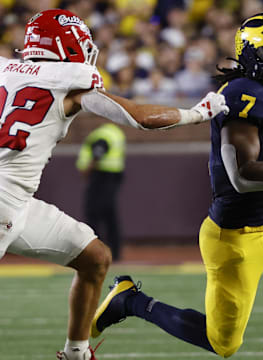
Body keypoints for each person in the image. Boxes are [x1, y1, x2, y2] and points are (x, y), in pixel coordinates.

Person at [90, 11, 263, 360]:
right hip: (237, 237)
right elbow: (243, 176)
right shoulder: (243, 96)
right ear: (251, 55)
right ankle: (130, 300)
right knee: (223, 343)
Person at [0, 8, 228, 360]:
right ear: (69, 46)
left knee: (94, 258)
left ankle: (76, 352)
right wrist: (197, 113)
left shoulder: (4, 68)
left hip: (19, 201)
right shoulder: (71, 81)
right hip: (4, 202)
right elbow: (139, 117)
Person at [76, 123, 126, 261]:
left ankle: (96, 252)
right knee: (109, 215)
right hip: (113, 176)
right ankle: (114, 253)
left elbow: (98, 151)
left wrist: (88, 168)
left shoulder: (101, 134)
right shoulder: (116, 132)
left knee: (93, 213)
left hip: (100, 176)